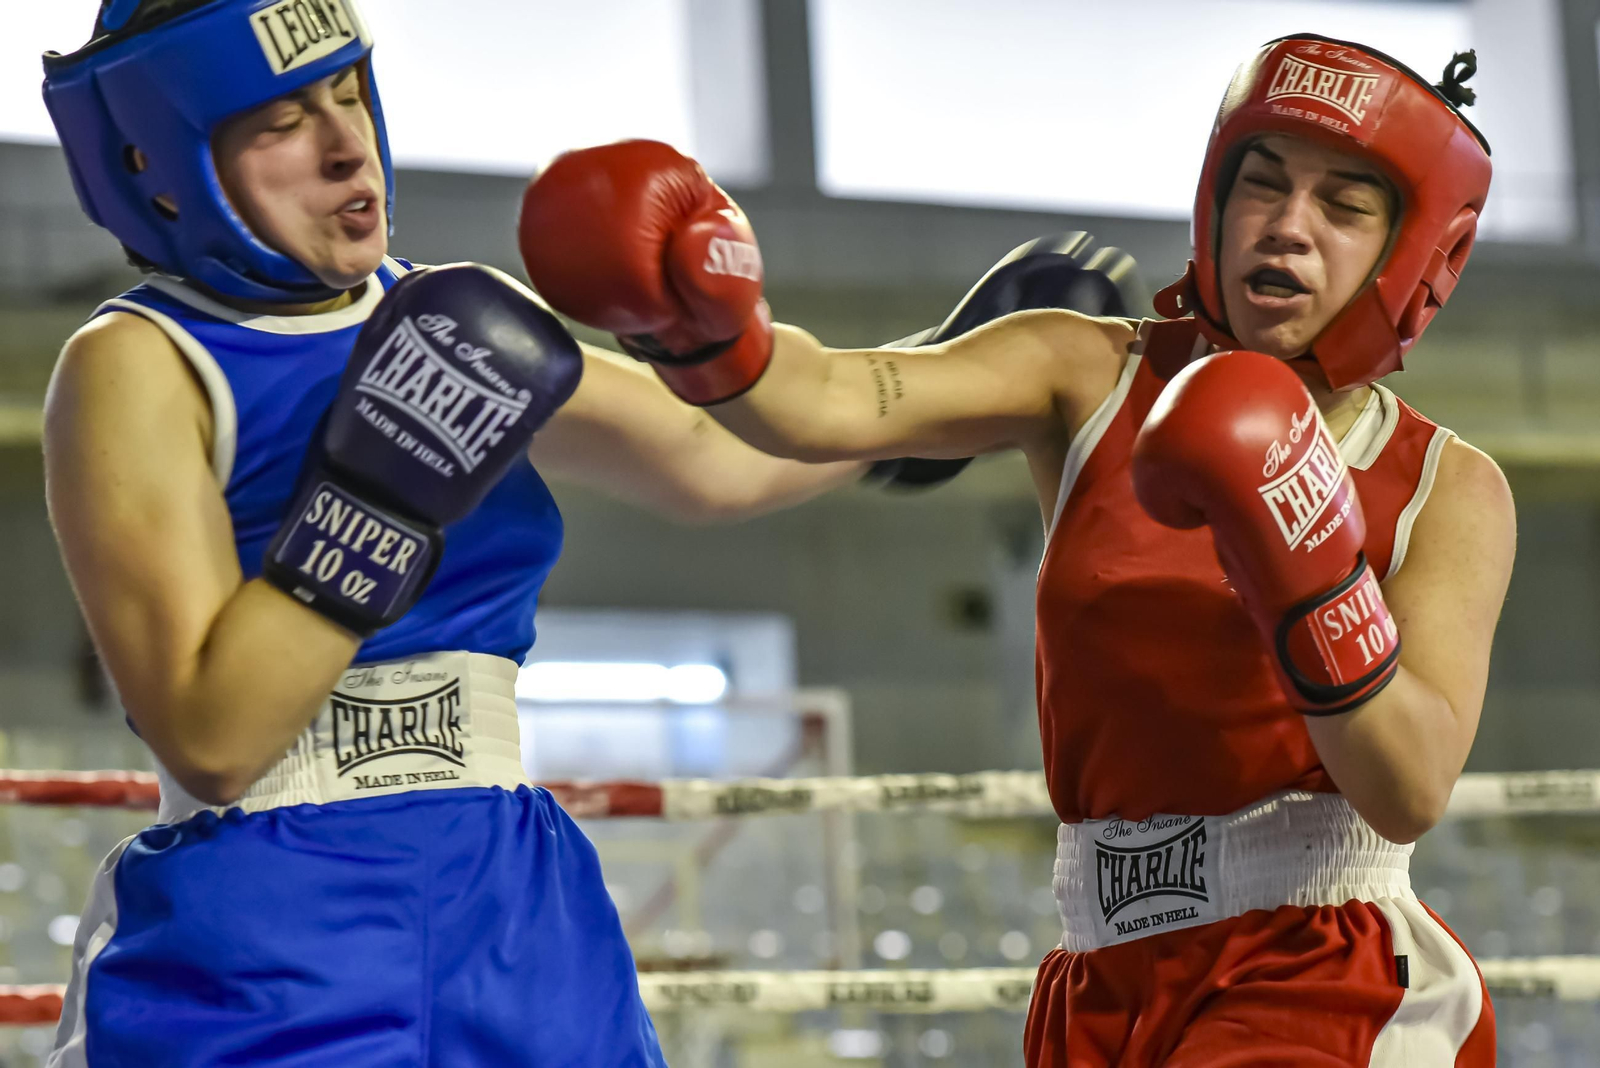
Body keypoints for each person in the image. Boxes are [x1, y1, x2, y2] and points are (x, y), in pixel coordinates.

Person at [37, 4, 1135, 1063]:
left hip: (512, 894)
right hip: (270, 913)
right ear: (160, 169)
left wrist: (946, 390)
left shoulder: (457, 319)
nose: (342, 149)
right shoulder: (137, 362)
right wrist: (381, 499)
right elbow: (213, 739)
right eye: (281, 123)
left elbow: (714, 458)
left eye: (346, 96)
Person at [521, 34, 1516, 1066]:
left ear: (1415, 258)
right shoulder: (1082, 370)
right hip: (1101, 974)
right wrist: (712, 330)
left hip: (1321, 973)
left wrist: (1307, 565)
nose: (1287, 228)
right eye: (1260, 186)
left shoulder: (1446, 487)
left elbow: (1409, 787)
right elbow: (829, 402)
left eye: (1343, 208)